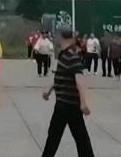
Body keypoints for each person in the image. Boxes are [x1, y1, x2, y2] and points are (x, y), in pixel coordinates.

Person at [40, 28, 94, 157]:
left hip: (68, 105)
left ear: (62, 38)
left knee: (58, 137)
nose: (55, 39)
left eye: (56, 36)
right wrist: (49, 90)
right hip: (65, 104)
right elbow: (61, 75)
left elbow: (80, 79)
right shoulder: (64, 55)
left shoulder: (71, 56)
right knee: (77, 139)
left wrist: (83, 103)